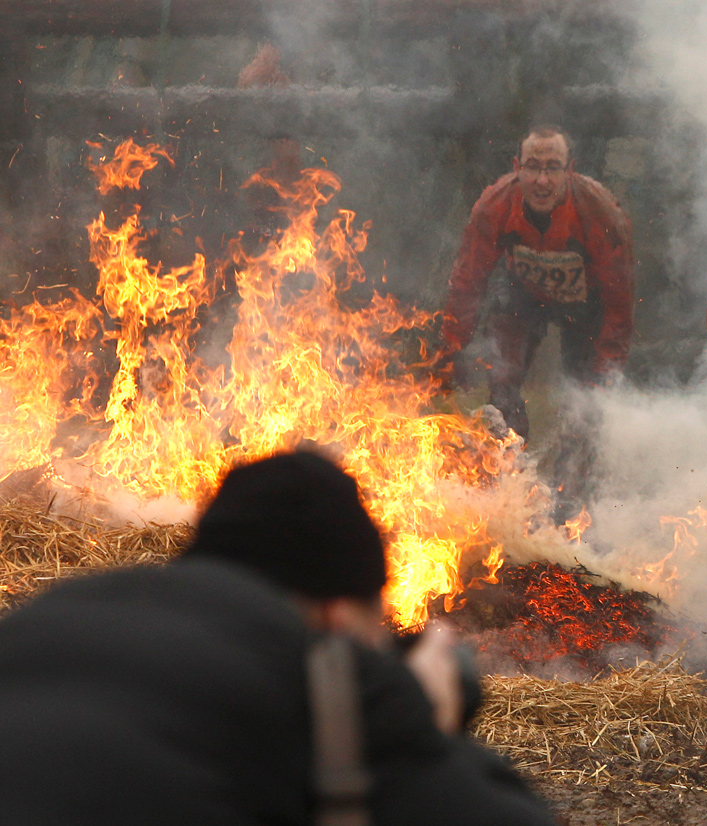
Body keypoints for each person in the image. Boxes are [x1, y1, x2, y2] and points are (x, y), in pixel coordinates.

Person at [0, 451, 556, 826]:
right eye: (375, 620)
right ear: (338, 614)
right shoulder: (323, 676)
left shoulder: (50, 615)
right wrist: (423, 722)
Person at [435, 127, 633, 524]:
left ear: (570, 172)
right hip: (521, 296)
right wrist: (451, 349)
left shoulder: (599, 213)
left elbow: (619, 302)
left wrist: (607, 366)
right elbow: (468, 281)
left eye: (553, 169)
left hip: (587, 305)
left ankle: (572, 504)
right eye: (533, 168)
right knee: (502, 382)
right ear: (517, 168)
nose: (542, 181)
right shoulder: (494, 205)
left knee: (585, 401)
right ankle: (508, 485)